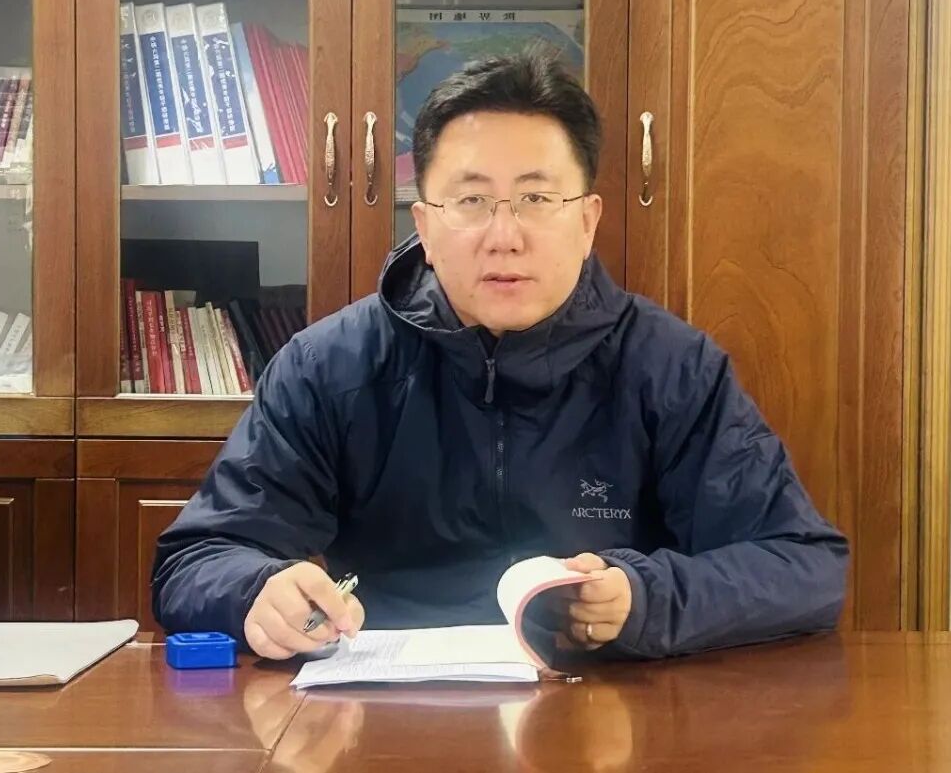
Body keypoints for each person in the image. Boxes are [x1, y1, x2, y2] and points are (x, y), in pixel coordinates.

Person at [152, 52, 848, 661]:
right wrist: (256, 590)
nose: (504, 234)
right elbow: (195, 559)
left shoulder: (671, 367)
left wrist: (643, 597)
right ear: (425, 227)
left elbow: (804, 567)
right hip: (390, 713)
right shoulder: (329, 367)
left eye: (537, 198)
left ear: (588, 221)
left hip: (609, 713)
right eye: (472, 200)